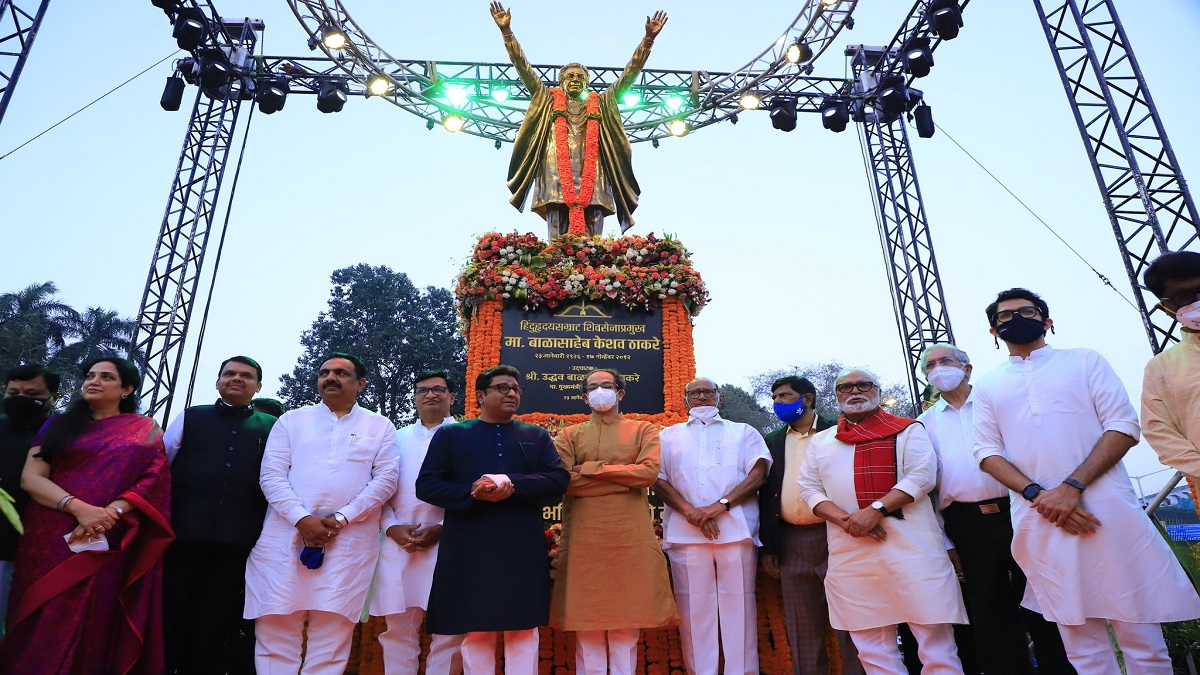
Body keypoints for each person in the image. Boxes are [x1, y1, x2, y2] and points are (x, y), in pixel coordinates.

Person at [973, 288, 1200, 672]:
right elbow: (986, 453)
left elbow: (1124, 426)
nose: (1015, 319)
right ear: (994, 332)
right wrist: (1039, 495)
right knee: (1082, 647)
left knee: (1141, 640)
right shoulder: (988, 385)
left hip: (1108, 511)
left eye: (1026, 311)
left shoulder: (1084, 361)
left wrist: (1070, 488)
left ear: (1048, 321)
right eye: (1005, 317)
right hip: (1039, 518)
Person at [1, 356, 173, 674]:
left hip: (106, 533)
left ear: (127, 389)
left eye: (106, 377)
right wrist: (79, 508)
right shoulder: (57, 424)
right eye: (90, 375)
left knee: (97, 614)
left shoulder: (144, 429)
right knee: (43, 611)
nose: (93, 381)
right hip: (51, 531)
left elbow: (152, 477)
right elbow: (32, 478)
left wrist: (109, 513)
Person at [798, 368, 967, 674]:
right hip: (851, 551)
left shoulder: (907, 430)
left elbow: (922, 477)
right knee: (872, 648)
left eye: (863, 385)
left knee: (935, 644)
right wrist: (848, 520)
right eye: (845, 387)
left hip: (912, 547)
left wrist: (874, 511)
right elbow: (808, 488)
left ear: (877, 390)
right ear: (836, 396)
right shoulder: (822, 441)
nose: (855, 391)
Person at [916, 344, 1073, 674]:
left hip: (1020, 511)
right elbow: (927, 488)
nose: (938, 368)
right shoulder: (922, 424)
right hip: (966, 525)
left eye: (945, 361)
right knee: (989, 613)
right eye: (930, 365)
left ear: (967, 368)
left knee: (1044, 603)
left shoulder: (998, 403)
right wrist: (946, 542)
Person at [244, 352, 399, 675]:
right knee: (276, 629)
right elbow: (271, 475)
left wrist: (342, 518)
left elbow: (386, 480)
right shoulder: (292, 421)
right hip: (284, 536)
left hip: (349, 543)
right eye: (325, 372)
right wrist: (301, 518)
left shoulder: (379, 425)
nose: (330, 378)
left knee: (331, 638)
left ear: (361, 383)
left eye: (341, 374)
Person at [416, 365, 569, 675]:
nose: (511, 393)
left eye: (516, 388)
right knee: (476, 630)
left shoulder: (535, 435)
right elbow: (427, 485)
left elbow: (558, 480)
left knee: (523, 629)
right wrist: (472, 492)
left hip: (520, 544)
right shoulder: (452, 434)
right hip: (470, 543)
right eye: (502, 387)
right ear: (481, 396)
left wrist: (509, 483)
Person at [490, 2, 667, 238]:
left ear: (587, 83)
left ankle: (594, 266)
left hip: (594, 167)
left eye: (580, 77)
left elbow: (629, 75)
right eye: (570, 76)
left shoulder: (603, 103)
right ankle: (555, 265)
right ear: (561, 82)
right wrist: (506, 32)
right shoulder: (547, 99)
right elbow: (523, 68)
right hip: (554, 166)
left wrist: (648, 40)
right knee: (556, 214)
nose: (575, 79)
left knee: (595, 217)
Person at [550, 368, 677, 675]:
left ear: (620, 393)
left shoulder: (644, 430)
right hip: (584, 540)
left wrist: (589, 469)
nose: (600, 391)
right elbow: (562, 481)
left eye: (607, 386)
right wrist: (622, 475)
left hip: (628, 539)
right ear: (584, 397)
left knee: (625, 628)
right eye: (593, 387)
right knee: (587, 627)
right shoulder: (569, 435)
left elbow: (647, 474)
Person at [161, 355, 278, 674]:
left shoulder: (273, 427)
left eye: (246, 375)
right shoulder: (190, 417)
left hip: (238, 539)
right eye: (229, 373)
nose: (237, 379)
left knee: (217, 615)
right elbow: (162, 466)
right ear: (218, 380)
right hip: (182, 535)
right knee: (174, 609)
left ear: (258, 386)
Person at [654, 377, 771, 675]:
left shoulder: (743, 432)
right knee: (695, 611)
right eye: (695, 392)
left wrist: (719, 507)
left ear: (720, 398)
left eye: (708, 392)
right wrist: (690, 512)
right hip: (686, 532)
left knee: (739, 608)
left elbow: (757, 475)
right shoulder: (668, 436)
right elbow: (657, 478)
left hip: (735, 530)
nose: (702, 396)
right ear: (685, 400)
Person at [759, 375, 863, 675]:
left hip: (840, 536)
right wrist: (769, 548)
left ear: (807, 399)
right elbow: (767, 495)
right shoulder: (774, 440)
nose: (778, 402)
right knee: (802, 626)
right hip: (791, 542)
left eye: (785, 396)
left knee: (852, 621)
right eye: (775, 397)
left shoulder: (840, 429)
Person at [370, 370, 464, 675]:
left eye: (439, 390)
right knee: (397, 630)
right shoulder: (395, 438)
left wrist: (445, 529)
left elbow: (475, 491)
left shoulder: (468, 436)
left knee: (450, 629)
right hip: (399, 544)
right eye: (423, 391)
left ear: (452, 396)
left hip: (451, 541)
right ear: (414, 398)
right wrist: (391, 527)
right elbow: (378, 487)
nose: (431, 396)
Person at [0, 363, 59, 633]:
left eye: (31, 393)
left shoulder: (62, 433)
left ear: (51, 397)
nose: (20, 398)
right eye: (13, 393)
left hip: (31, 545)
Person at [1141, 251, 1200, 482]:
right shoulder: (1160, 369)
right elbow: (1159, 432)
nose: (1197, 299)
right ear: (1167, 307)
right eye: (1185, 297)